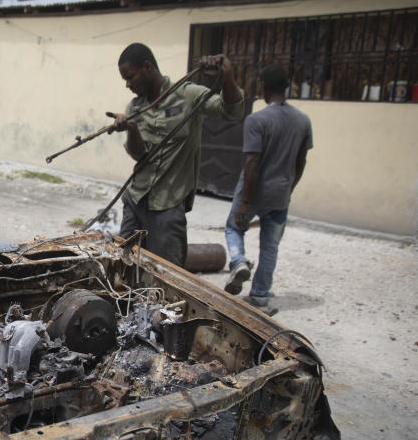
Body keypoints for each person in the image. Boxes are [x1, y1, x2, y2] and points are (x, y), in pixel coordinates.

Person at [109, 43, 244, 266]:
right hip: (136, 199)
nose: (127, 84)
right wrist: (132, 129)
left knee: (166, 274)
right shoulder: (135, 107)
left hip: (168, 204)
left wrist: (227, 77)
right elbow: (139, 154)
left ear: (148, 67)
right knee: (123, 266)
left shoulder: (187, 95)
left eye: (130, 77)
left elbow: (232, 112)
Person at [223, 63, 313, 307]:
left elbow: (252, 162)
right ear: (286, 87)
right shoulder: (303, 121)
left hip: (254, 193)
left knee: (233, 228)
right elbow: (301, 161)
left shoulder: (256, 120)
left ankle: (239, 261)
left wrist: (244, 202)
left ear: (264, 87)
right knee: (270, 246)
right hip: (280, 193)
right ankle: (261, 294)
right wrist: (289, 188)